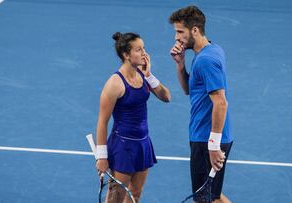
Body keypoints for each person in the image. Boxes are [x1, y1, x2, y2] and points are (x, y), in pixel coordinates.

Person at [95, 32, 171, 202]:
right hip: (123, 147)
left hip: (143, 143)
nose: (144, 53)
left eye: (144, 48)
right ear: (126, 55)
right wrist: (102, 156)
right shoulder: (114, 83)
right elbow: (102, 122)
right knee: (116, 197)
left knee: (135, 193)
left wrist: (149, 75)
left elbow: (166, 97)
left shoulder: (143, 75)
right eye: (138, 50)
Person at [169, 5, 233, 203]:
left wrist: (212, 146)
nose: (176, 37)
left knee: (204, 199)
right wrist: (180, 65)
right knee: (212, 195)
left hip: (207, 139)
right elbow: (190, 89)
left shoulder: (206, 60)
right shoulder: (211, 50)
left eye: (180, 32)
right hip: (209, 136)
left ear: (194, 30)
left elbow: (221, 103)